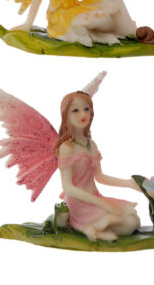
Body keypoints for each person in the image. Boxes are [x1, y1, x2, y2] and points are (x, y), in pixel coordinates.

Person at [55, 90, 141, 241]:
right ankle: (84, 227)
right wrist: (103, 204)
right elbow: (68, 188)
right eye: (75, 110)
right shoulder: (67, 147)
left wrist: (129, 183)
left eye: (86, 109)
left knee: (133, 220)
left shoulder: (91, 145)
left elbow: (100, 177)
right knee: (129, 224)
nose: (83, 114)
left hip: (95, 197)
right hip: (78, 204)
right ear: (66, 115)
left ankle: (93, 229)